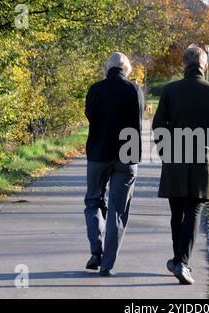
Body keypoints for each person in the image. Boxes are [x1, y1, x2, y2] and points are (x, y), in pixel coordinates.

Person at [152, 45, 209, 285]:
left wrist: (165, 150)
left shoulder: (170, 90)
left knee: (177, 212)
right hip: (202, 158)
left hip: (175, 156)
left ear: (183, 64)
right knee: (194, 210)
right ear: (205, 65)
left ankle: (178, 260)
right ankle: (182, 263)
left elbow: (158, 124)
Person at [84, 52, 144, 276]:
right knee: (118, 209)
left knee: (93, 201)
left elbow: (90, 115)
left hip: (99, 153)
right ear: (126, 69)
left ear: (107, 67)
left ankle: (95, 252)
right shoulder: (134, 90)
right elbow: (138, 122)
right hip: (126, 155)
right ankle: (107, 264)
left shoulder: (95, 90)